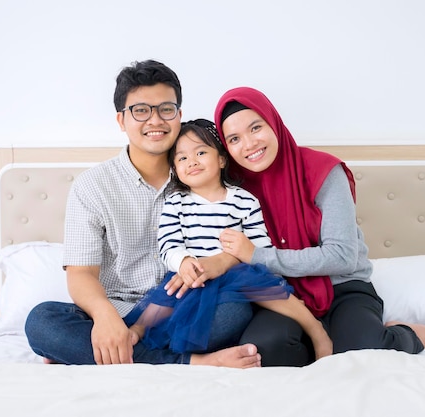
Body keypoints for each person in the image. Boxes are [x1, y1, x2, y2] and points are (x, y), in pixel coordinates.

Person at [24, 60, 261, 369]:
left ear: (178, 115)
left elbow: (247, 246)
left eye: (166, 109)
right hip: (118, 311)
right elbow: (80, 274)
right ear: (121, 120)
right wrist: (105, 318)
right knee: (42, 321)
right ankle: (192, 362)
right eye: (140, 111)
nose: (155, 120)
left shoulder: (203, 175)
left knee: (236, 311)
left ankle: (96, 355)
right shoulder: (92, 186)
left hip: (184, 309)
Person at [212, 86, 425, 366]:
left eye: (255, 128)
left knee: (361, 350)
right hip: (283, 293)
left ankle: (403, 334)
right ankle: (325, 340)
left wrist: (257, 256)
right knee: (264, 349)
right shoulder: (233, 189)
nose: (249, 144)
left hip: (343, 287)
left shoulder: (322, 171)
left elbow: (342, 256)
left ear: (273, 122)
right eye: (234, 138)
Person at [127, 119, 333, 360]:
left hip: (236, 275)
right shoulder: (176, 202)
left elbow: (260, 248)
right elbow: (168, 244)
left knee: (261, 285)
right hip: (193, 275)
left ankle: (314, 329)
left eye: (201, 152)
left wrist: (243, 263)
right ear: (175, 168)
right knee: (169, 291)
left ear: (222, 159)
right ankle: (137, 330)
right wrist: (183, 262)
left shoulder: (244, 201)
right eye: (182, 158)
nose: (192, 161)